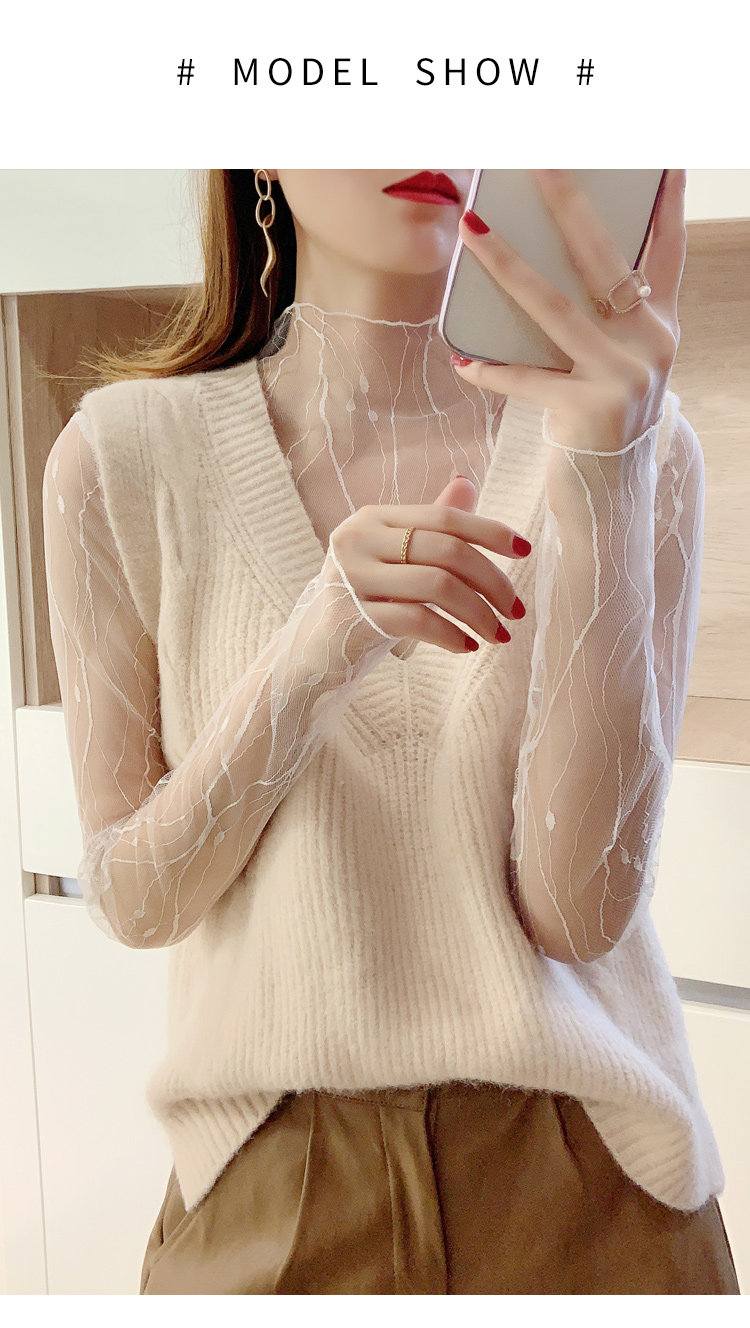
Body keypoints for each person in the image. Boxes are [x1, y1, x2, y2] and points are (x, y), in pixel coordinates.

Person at [42, 168, 740, 1294]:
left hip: (596, 1194)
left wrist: (605, 464)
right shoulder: (118, 459)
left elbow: (577, 913)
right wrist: (319, 643)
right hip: (272, 1195)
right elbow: (138, 898)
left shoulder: (641, 446)